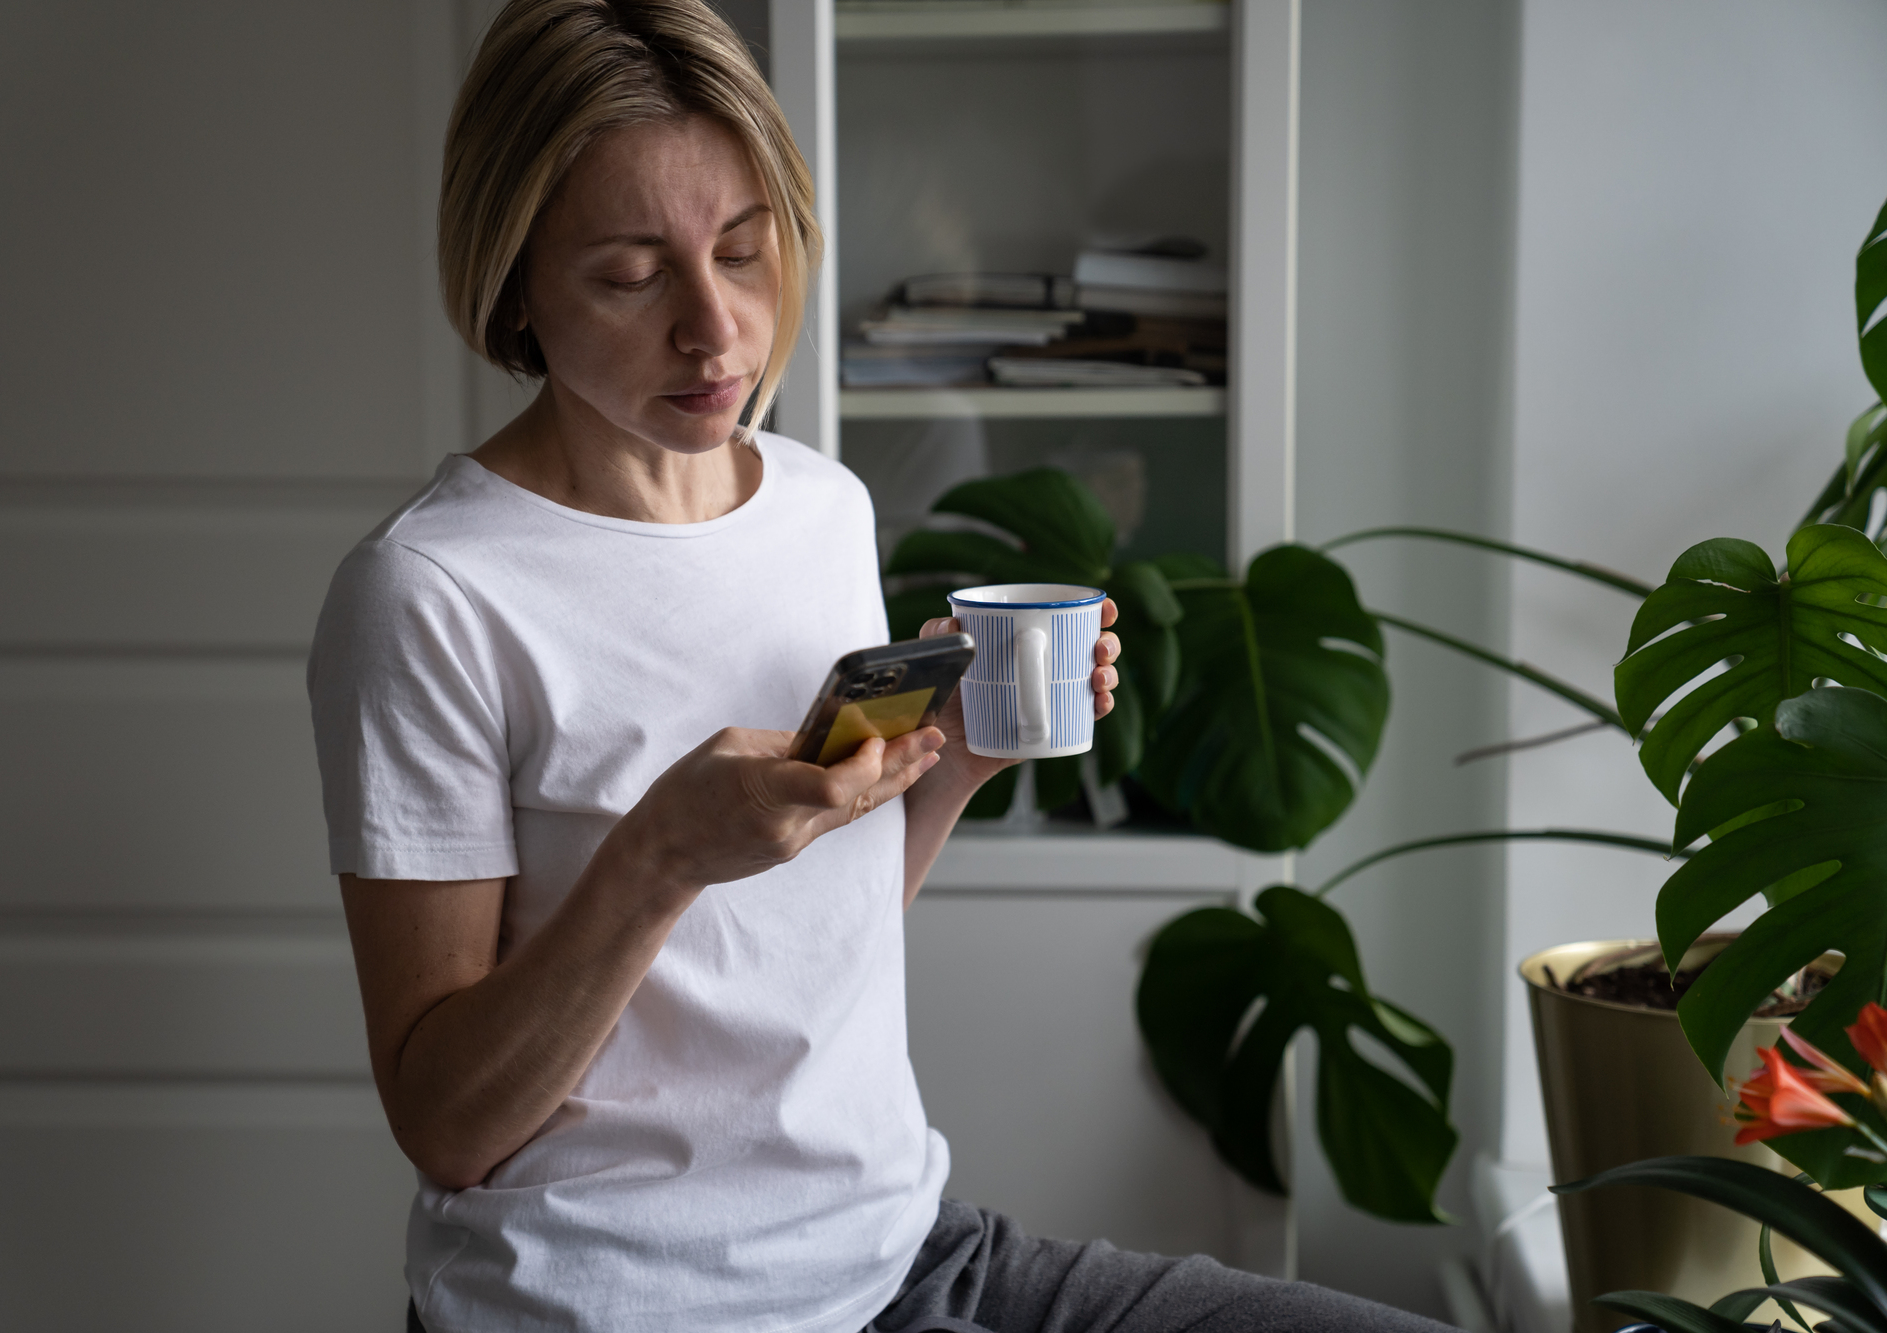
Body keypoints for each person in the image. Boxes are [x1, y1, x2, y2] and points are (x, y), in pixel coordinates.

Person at [307, 1, 1454, 1329]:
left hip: (905, 1256)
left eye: (745, 251)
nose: (715, 329)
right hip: (619, 1300)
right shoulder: (432, 593)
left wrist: (954, 764)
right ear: (513, 282)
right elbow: (446, 1123)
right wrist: (658, 856)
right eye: (631, 272)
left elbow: (808, 945)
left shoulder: (822, 507)